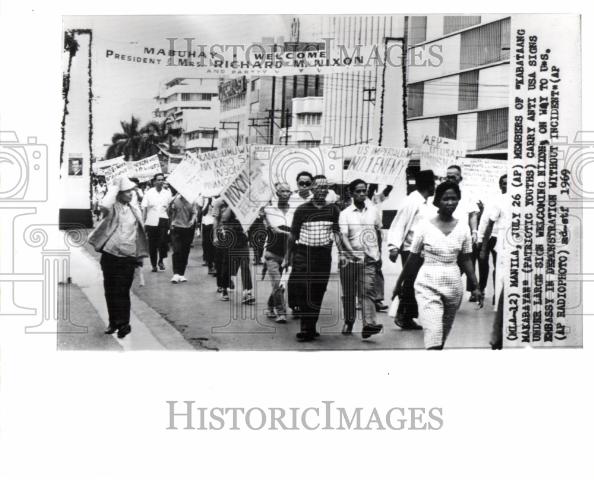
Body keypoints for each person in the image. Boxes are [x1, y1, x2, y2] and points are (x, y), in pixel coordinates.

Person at [394, 181, 483, 350]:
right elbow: (412, 259)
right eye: (446, 199)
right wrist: (399, 285)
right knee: (433, 332)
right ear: (437, 201)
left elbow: (466, 259)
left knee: (442, 335)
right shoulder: (424, 226)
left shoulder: (463, 228)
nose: (450, 203)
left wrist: (476, 286)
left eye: (454, 199)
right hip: (427, 284)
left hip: (453, 286)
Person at [88, 176, 149, 339]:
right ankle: (113, 322)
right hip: (110, 255)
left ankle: (124, 324)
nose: (130, 194)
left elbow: (139, 234)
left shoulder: (135, 210)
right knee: (110, 290)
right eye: (126, 191)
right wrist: (115, 186)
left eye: (131, 191)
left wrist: (139, 258)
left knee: (122, 290)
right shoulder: (112, 207)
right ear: (119, 193)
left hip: (128, 256)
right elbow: (104, 204)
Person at [284, 175, 341, 342]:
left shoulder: (333, 210)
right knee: (303, 290)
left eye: (325, 187)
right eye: (318, 187)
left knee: (317, 291)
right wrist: (287, 257)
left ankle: (310, 326)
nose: (322, 191)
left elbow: (336, 233)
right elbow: (292, 235)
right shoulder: (302, 210)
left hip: (323, 256)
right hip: (303, 255)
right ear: (312, 189)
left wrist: (343, 253)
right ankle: (306, 327)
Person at [387, 170, 436, 330]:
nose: (435, 187)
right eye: (433, 184)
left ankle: (407, 315)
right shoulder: (411, 201)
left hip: (423, 249)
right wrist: (393, 247)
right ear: (428, 185)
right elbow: (398, 223)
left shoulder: (425, 202)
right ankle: (403, 315)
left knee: (416, 283)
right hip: (410, 249)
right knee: (411, 282)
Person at [338, 179, 384, 339]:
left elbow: (378, 231)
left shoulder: (373, 211)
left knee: (367, 291)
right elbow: (342, 236)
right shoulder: (345, 214)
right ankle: (349, 321)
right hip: (349, 259)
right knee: (349, 292)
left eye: (364, 190)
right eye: (358, 191)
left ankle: (368, 324)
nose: (362, 194)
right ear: (351, 193)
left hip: (369, 258)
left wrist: (379, 254)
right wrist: (351, 252)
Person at [479, 176, 511, 350]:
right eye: (504, 183)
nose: (507, 186)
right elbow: (489, 223)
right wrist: (483, 247)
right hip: (501, 243)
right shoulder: (499, 201)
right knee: (501, 278)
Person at [444, 165, 481, 301]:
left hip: (462, 236)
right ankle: (447, 293)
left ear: (460, 178)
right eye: (447, 176)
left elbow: (473, 215)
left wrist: (475, 232)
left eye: (453, 176)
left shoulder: (467, 194)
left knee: (464, 264)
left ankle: (462, 290)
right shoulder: (441, 192)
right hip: (445, 235)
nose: (449, 179)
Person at [212, 198, 254, 304]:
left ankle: (247, 292)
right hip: (227, 235)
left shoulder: (245, 200)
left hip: (242, 235)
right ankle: (224, 289)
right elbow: (220, 219)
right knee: (227, 264)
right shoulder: (219, 202)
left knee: (245, 264)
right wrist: (215, 236)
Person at [262, 182, 293, 323]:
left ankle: (270, 305)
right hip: (272, 253)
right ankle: (281, 312)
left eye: (288, 191)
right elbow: (272, 230)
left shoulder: (294, 211)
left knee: (282, 284)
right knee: (276, 283)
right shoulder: (269, 210)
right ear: (277, 193)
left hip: (289, 254)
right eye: (282, 191)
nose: (285, 194)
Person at [477, 174, 507, 303]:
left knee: (498, 266)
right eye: (504, 183)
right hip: (489, 237)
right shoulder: (495, 199)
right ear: (500, 185)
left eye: (508, 182)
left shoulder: (513, 200)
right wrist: (480, 239)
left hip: (501, 237)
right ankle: (480, 290)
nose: (506, 185)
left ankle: (497, 295)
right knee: (483, 264)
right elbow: (485, 220)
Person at [141, 173, 172, 272]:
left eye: (162, 179)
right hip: (151, 220)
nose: (160, 181)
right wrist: (144, 222)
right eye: (158, 180)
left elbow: (169, 208)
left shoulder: (167, 193)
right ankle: (153, 264)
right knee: (152, 244)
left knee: (163, 242)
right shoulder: (149, 193)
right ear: (154, 182)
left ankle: (161, 260)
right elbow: (145, 208)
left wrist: (170, 222)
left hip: (163, 219)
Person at [168, 191, 200, 284]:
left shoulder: (192, 201)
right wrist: (171, 206)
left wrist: (192, 220)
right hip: (176, 227)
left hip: (188, 228)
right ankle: (176, 273)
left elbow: (194, 213)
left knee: (185, 251)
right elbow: (169, 213)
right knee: (177, 250)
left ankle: (182, 273)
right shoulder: (174, 200)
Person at [201, 197, 217, 275]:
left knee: (216, 246)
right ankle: (210, 266)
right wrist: (208, 203)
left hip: (216, 225)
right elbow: (203, 213)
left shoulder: (219, 200)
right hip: (207, 224)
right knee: (208, 245)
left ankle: (215, 266)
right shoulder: (206, 199)